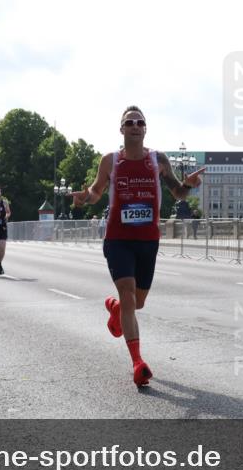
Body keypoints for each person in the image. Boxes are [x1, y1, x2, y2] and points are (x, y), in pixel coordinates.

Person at [72, 105, 205, 387]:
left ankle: (116, 309)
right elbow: (96, 191)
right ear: (121, 129)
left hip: (148, 240)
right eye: (129, 122)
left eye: (139, 122)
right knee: (130, 296)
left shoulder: (159, 160)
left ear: (145, 129)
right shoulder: (110, 161)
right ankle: (137, 363)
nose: (135, 125)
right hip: (118, 239)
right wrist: (85, 197)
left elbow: (177, 192)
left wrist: (189, 184)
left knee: (138, 302)